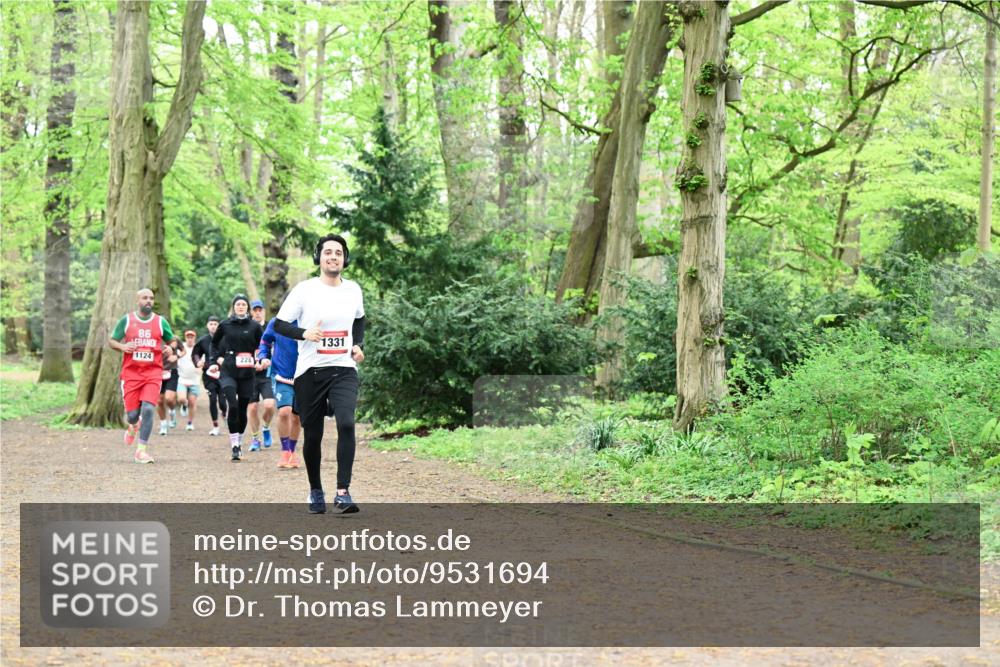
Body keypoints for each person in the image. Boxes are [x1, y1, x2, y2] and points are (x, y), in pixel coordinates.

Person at [274, 233, 365, 514]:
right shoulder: (304, 290)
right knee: (312, 435)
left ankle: (343, 491)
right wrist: (304, 333)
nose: (333, 256)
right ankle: (315, 490)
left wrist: (358, 345)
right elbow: (279, 324)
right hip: (310, 371)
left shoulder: (353, 290)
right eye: (328, 252)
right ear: (319, 257)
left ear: (344, 259)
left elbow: (359, 320)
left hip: (343, 369)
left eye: (338, 252)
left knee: (347, 423)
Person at [108, 288, 179, 463]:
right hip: (131, 374)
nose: (149, 301)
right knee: (132, 415)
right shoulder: (127, 320)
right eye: (145, 298)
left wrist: (170, 347)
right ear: (137, 300)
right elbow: (112, 340)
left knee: (148, 409)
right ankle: (133, 425)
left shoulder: (160, 322)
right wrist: (123, 347)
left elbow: (173, 341)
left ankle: (141, 450)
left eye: (151, 298)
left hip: (153, 372)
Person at [209, 294, 264, 461]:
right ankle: (234, 445)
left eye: (243, 304)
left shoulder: (254, 326)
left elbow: (262, 345)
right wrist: (215, 359)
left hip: (247, 372)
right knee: (232, 405)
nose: (240, 307)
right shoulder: (225, 325)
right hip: (229, 370)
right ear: (233, 307)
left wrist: (261, 359)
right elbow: (214, 343)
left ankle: (239, 442)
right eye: (237, 304)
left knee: (242, 408)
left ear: (247, 307)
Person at [258, 308, 301, 469]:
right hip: (282, 375)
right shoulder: (276, 322)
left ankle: (292, 450)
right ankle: (285, 451)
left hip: (304, 376)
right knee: (284, 412)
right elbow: (265, 342)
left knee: (297, 418)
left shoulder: (308, 321)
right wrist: (263, 357)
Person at [246, 299, 276, 452]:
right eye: (255, 310)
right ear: (251, 312)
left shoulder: (270, 326)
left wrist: (266, 361)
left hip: (267, 373)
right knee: (252, 408)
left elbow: (276, 347)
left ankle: (266, 427)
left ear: (264, 311)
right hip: (249, 374)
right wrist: (251, 363)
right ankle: (255, 438)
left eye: (260, 310)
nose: (257, 313)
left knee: (270, 406)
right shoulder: (246, 327)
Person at [193, 316, 225, 435]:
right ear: (207, 326)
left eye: (215, 324)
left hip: (223, 374)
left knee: (222, 401)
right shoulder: (203, 340)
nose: (213, 326)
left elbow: (231, 352)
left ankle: (224, 413)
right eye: (211, 324)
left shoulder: (224, 339)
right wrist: (198, 362)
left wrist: (225, 359)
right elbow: (196, 353)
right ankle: (215, 426)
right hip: (208, 374)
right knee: (212, 399)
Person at [156, 338, 182, 435]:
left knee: (169, 399)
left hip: (172, 372)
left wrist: (177, 356)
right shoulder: (153, 338)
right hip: (157, 372)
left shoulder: (174, 339)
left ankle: (172, 411)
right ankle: (163, 425)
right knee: (159, 401)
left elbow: (183, 351)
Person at [177, 329, 201, 431]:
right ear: (185, 338)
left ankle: (190, 423)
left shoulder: (198, 348)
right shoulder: (181, 348)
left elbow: (202, 361)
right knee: (181, 399)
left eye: (192, 337)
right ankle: (184, 405)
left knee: (192, 402)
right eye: (188, 337)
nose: (190, 339)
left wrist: (200, 369)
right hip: (182, 378)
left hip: (194, 380)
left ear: (194, 338)